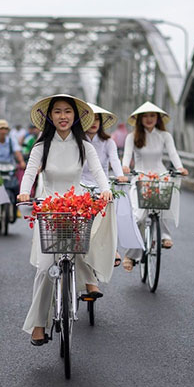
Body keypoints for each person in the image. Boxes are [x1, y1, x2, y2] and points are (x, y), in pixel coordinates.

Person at [17, 94, 114, 346]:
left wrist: (105, 189)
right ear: (50, 117)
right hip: (49, 208)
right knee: (45, 268)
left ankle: (89, 281)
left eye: (68, 112)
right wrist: (24, 190)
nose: (63, 116)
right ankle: (39, 324)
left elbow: (98, 172)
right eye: (58, 112)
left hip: (76, 204)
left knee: (80, 247)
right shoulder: (41, 146)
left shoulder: (85, 146)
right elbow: (30, 172)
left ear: (76, 116)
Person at [121, 102, 188, 270]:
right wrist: (124, 167)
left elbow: (173, 153)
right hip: (140, 176)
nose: (149, 119)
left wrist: (179, 168)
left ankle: (165, 234)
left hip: (160, 175)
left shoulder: (164, 135)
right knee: (138, 217)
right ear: (139, 119)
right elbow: (127, 156)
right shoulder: (132, 136)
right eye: (145, 116)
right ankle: (130, 254)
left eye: (152, 115)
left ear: (157, 118)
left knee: (163, 202)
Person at [80, 103, 135, 268]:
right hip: (80, 183)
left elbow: (114, 160)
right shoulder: (77, 141)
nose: (94, 122)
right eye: (91, 118)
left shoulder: (107, 141)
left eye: (98, 118)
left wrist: (120, 175)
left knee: (110, 213)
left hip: (101, 184)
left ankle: (112, 249)